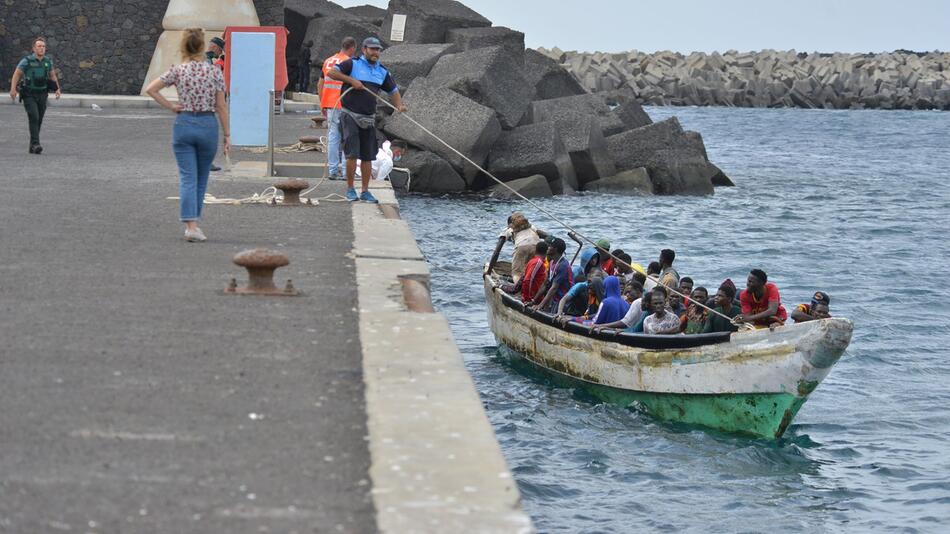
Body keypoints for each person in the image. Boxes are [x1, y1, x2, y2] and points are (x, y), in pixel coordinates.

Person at [146, 28, 230, 243]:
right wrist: (227, 135)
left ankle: (190, 224)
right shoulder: (214, 72)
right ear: (202, 47)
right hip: (207, 124)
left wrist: (172, 106)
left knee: (187, 177)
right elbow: (221, 106)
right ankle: (194, 225)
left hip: (184, 123)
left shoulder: (178, 70)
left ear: (183, 47)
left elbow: (152, 89)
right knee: (202, 177)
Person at [328, 36, 407, 203]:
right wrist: (351, 81)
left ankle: (365, 191)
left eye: (377, 49)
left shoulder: (382, 71)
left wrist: (399, 106)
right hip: (350, 114)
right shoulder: (352, 64)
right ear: (364, 50)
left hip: (369, 117)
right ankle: (350, 189)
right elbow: (332, 72)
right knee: (352, 154)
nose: (375, 52)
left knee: (367, 156)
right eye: (372, 49)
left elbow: (393, 90)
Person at [9, 37, 61, 154]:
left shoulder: (47, 61)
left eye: (43, 46)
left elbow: (52, 76)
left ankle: (32, 145)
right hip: (29, 94)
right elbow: (17, 74)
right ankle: (36, 144)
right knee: (34, 116)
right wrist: (13, 89)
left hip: (42, 93)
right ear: (33, 48)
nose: (41, 48)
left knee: (39, 119)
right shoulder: (26, 61)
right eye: (39, 46)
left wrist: (57, 89)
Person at [318, 37, 357, 180]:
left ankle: (333, 171)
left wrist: (322, 102)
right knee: (348, 138)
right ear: (352, 48)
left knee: (333, 138)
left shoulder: (328, 61)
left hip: (329, 104)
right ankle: (347, 172)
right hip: (345, 104)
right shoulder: (349, 63)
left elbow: (320, 83)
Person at [501, 212, 547, 282]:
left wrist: (488, 272)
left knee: (517, 273)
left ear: (510, 224)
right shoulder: (531, 227)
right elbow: (545, 235)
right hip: (537, 248)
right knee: (534, 269)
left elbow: (497, 251)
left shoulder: (508, 230)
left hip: (521, 248)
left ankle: (518, 289)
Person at [531, 238, 572, 314]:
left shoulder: (563, 265)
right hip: (554, 298)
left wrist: (540, 305)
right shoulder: (552, 262)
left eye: (550, 246)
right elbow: (545, 284)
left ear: (555, 249)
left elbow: (554, 288)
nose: (548, 248)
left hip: (564, 301)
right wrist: (533, 301)